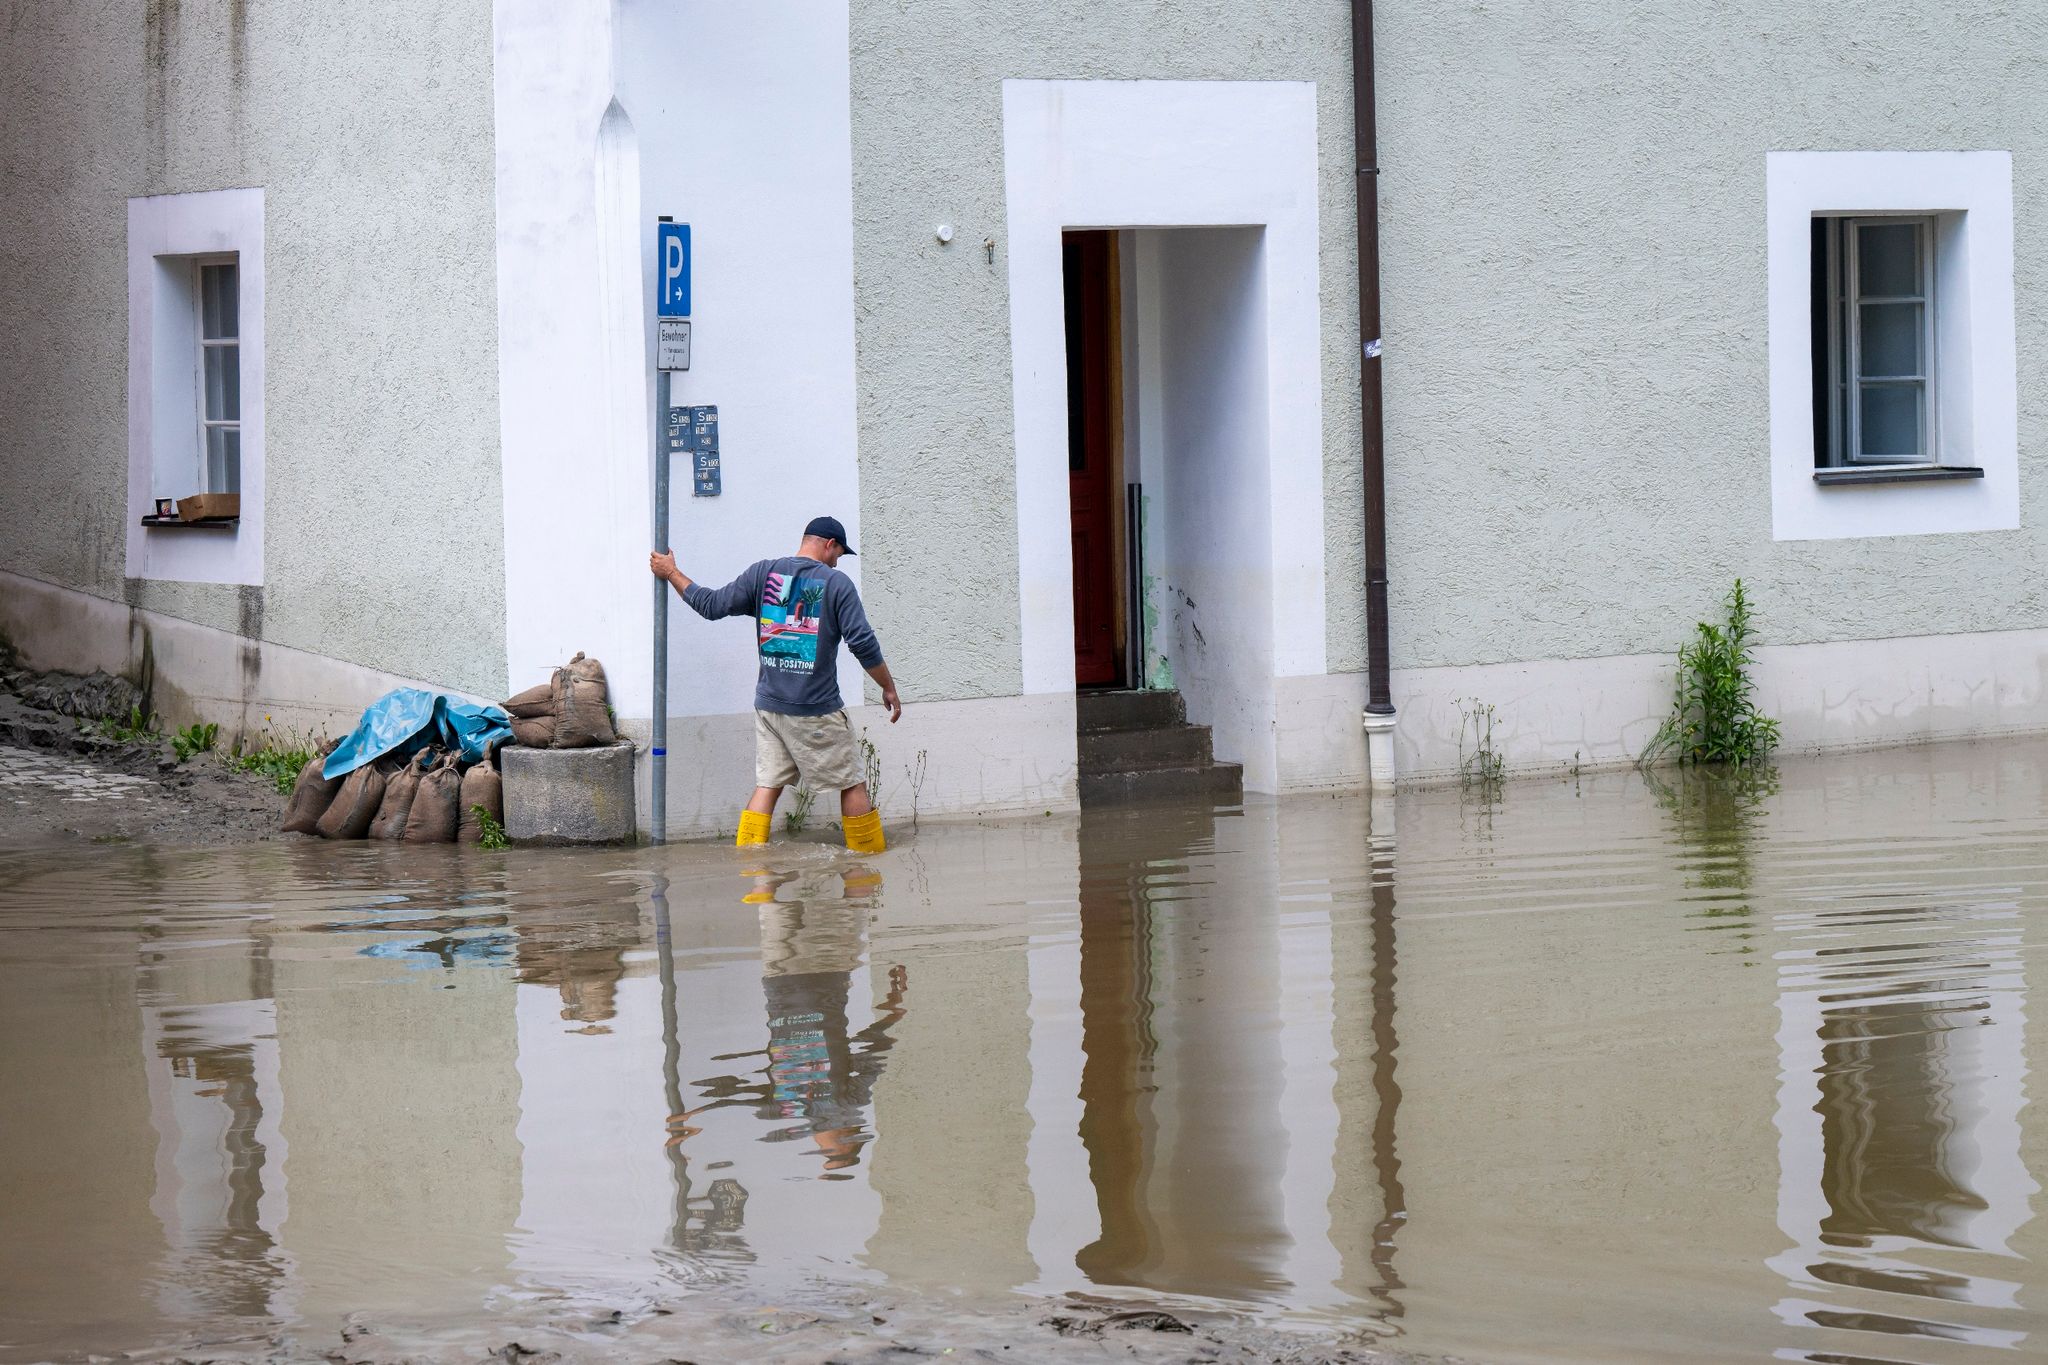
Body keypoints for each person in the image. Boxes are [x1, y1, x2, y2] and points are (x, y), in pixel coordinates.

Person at [650, 515, 901, 851]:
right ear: (829, 544)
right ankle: (868, 864)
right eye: (839, 554)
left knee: (768, 784)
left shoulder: (762, 574)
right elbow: (863, 643)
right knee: (851, 782)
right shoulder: (836, 584)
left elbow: (710, 605)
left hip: (769, 708)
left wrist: (671, 573)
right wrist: (887, 686)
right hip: (814, 710)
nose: (837, 562)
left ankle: (756, 877)